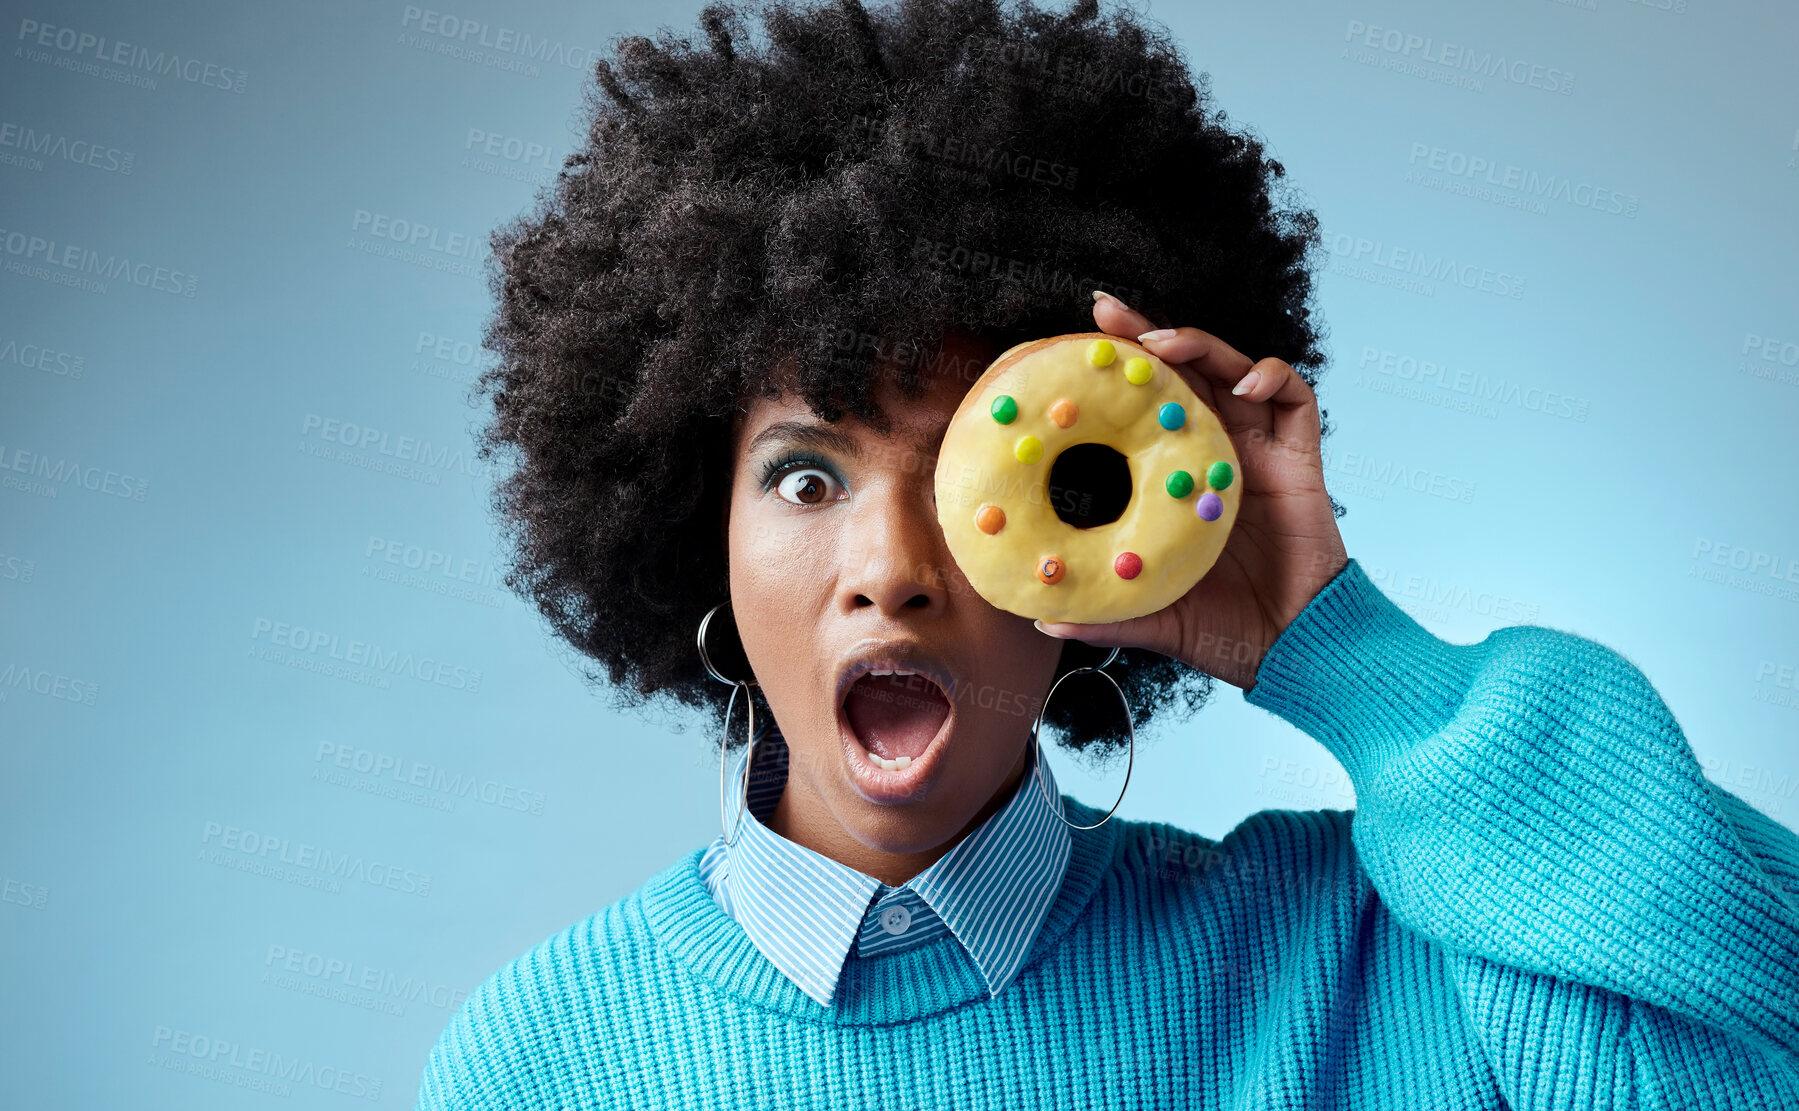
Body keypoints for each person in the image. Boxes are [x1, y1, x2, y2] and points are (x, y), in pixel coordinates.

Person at [416, 0, 1799, 1106]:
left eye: (966, 470)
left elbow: (1754, 1052)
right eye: (804, 474)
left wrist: (1334, 645)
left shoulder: (1361, 957)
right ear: (691, 532)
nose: (890, 563)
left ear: (1089, 543)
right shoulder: (546, 1063)